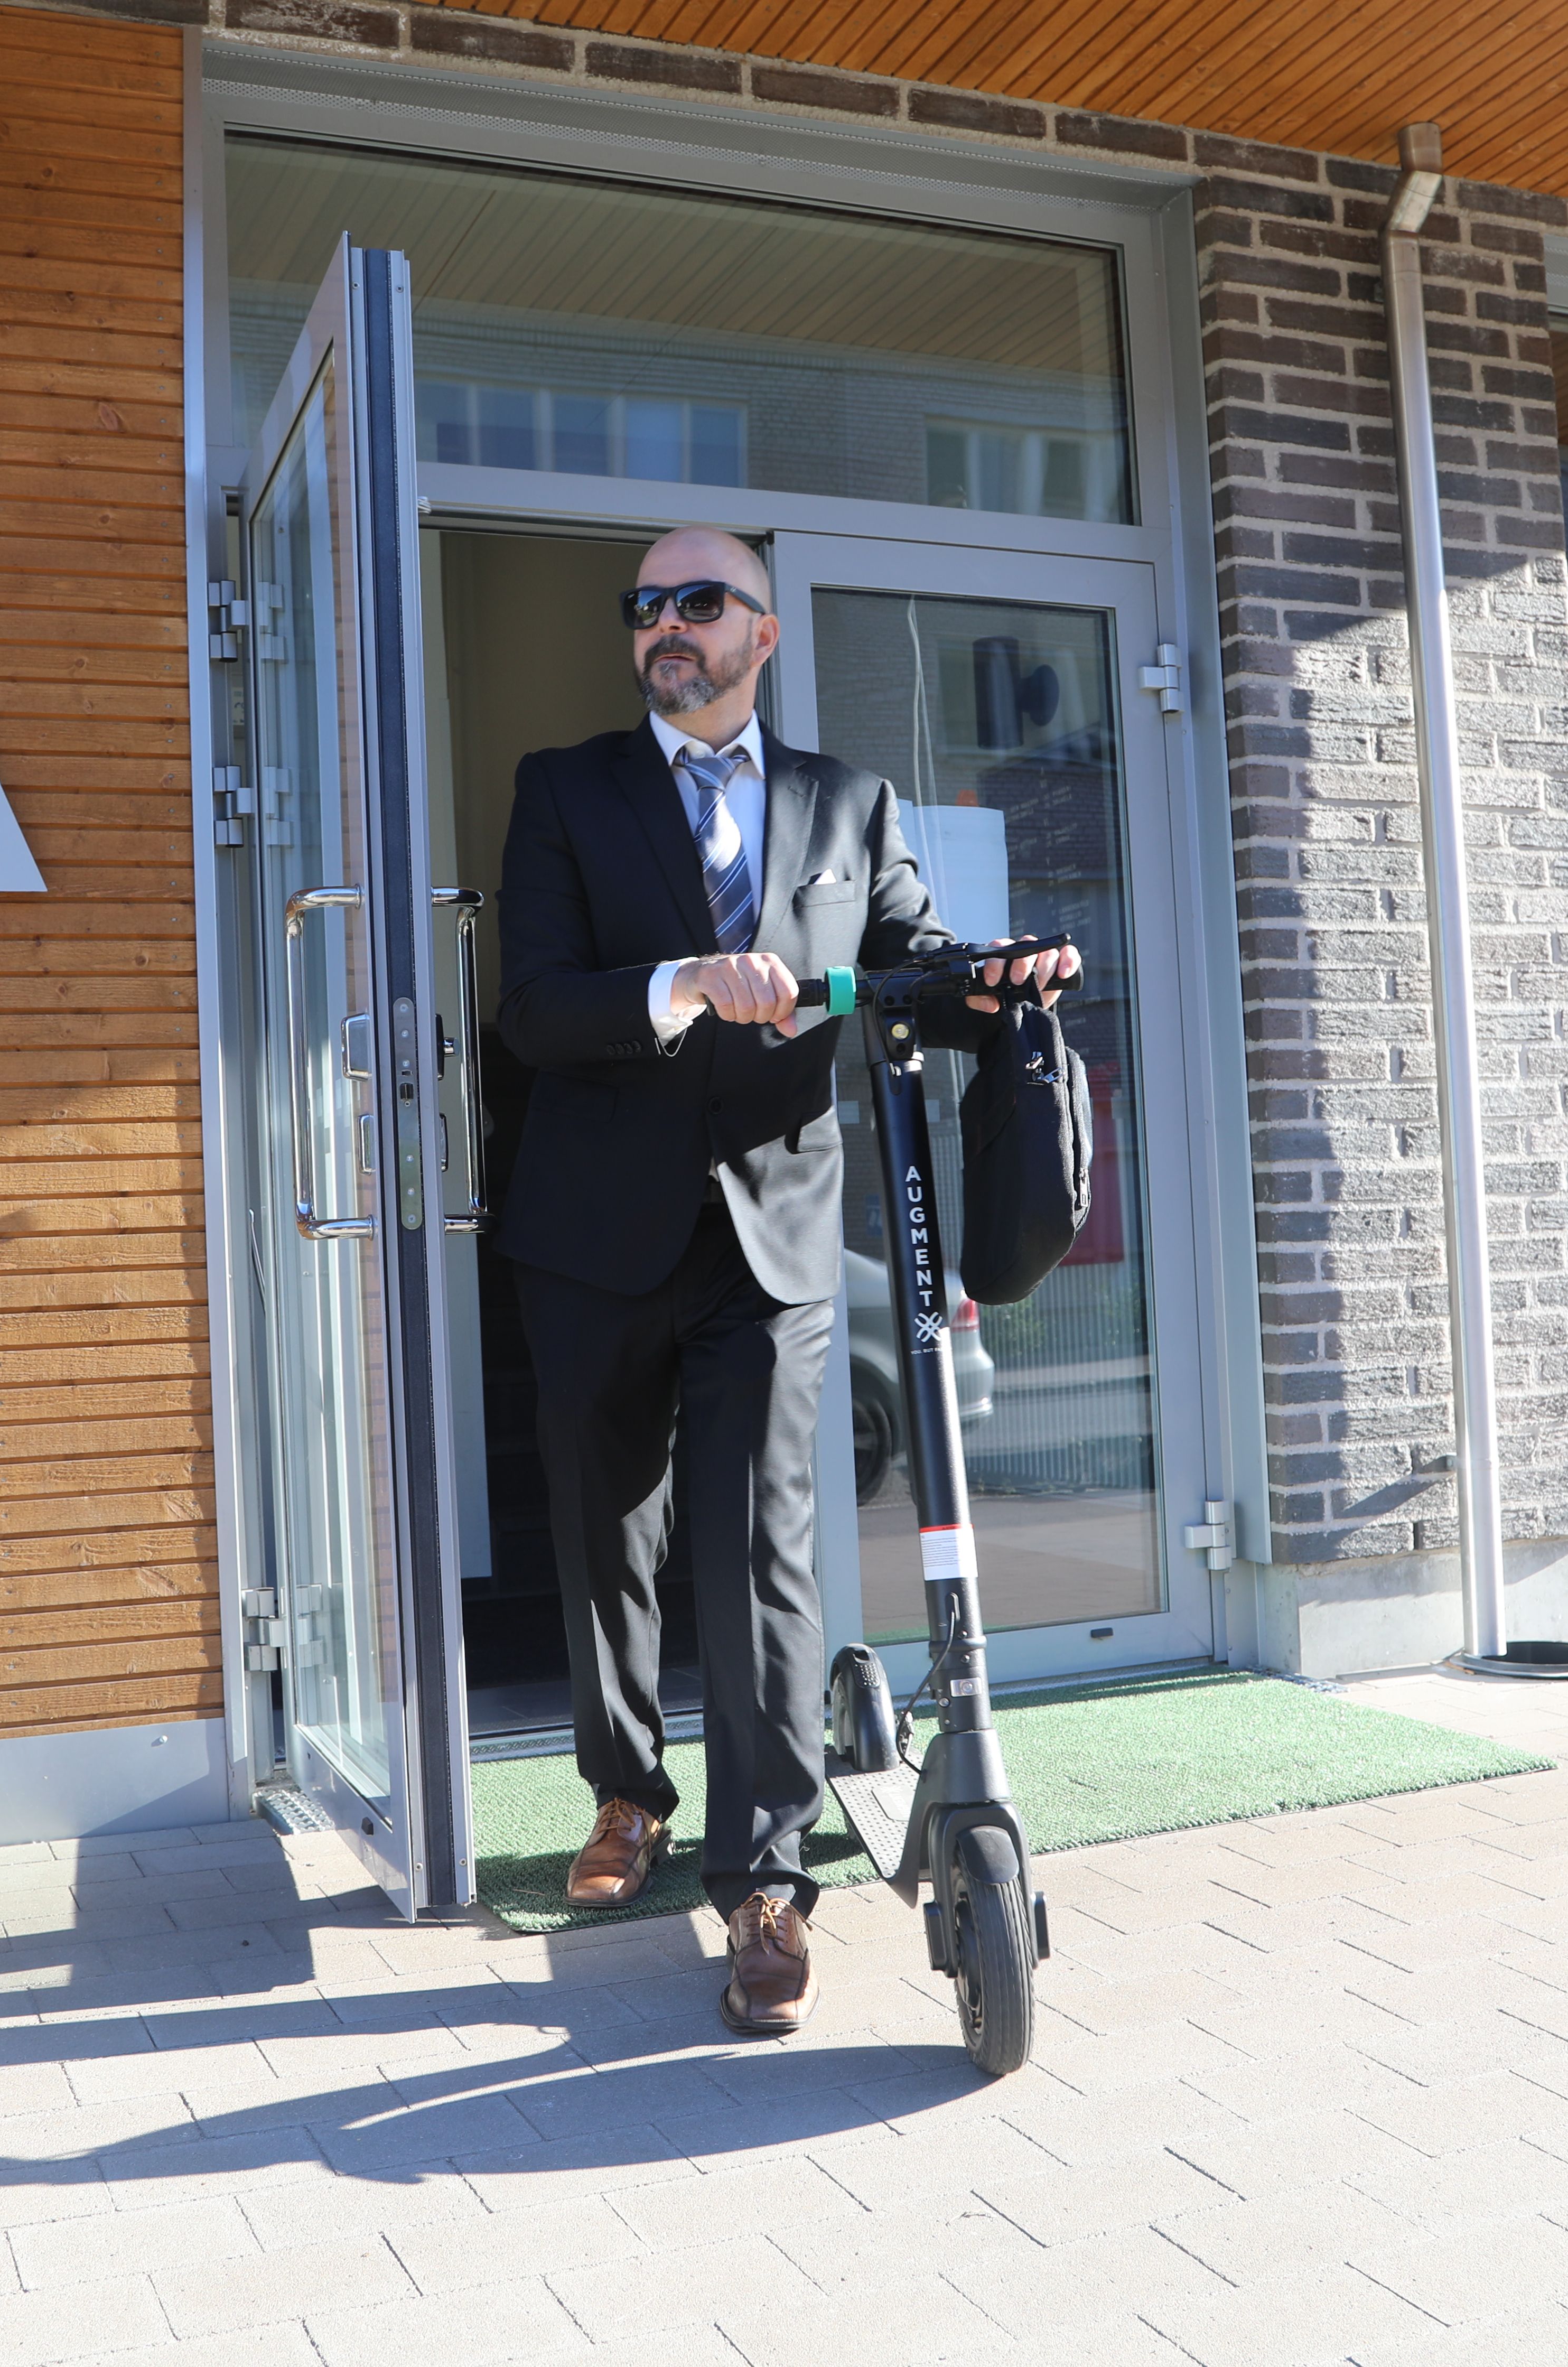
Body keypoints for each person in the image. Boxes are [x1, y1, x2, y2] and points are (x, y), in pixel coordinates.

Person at [493, 526, 1077, 2036]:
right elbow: (537, 1011)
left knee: (760, 1546)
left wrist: (996, 980)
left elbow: (912, 967)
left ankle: (763, 1885)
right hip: (595, 1230)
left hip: (778, 1234)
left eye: (696, 603)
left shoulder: (845, 800)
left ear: (760, 633)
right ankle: (627, 1795)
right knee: (607, 1523)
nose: (663, 627)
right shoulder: (564, 790)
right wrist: (683, 985)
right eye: (644, 608)